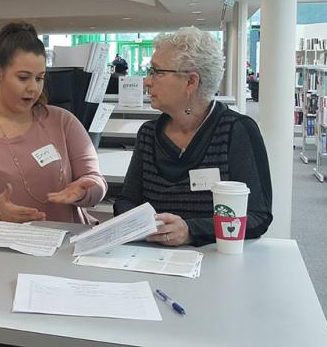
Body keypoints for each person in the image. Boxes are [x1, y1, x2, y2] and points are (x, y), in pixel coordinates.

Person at [0, 21, 107, 225]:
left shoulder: (63, 122)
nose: (33, 88)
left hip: (65, 245)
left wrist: (86, 190)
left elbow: (95, 180)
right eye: (23, 78)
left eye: (40, 78)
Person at [113, 27, 272, 246]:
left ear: (191, 82)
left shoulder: (238, 131)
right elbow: (127, 200)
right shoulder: (149, 134)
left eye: (157, 72)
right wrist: (143, 224)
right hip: (151, 259)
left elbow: (257, 216)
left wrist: (190, 231)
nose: (147, 82)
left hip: (214, 263)